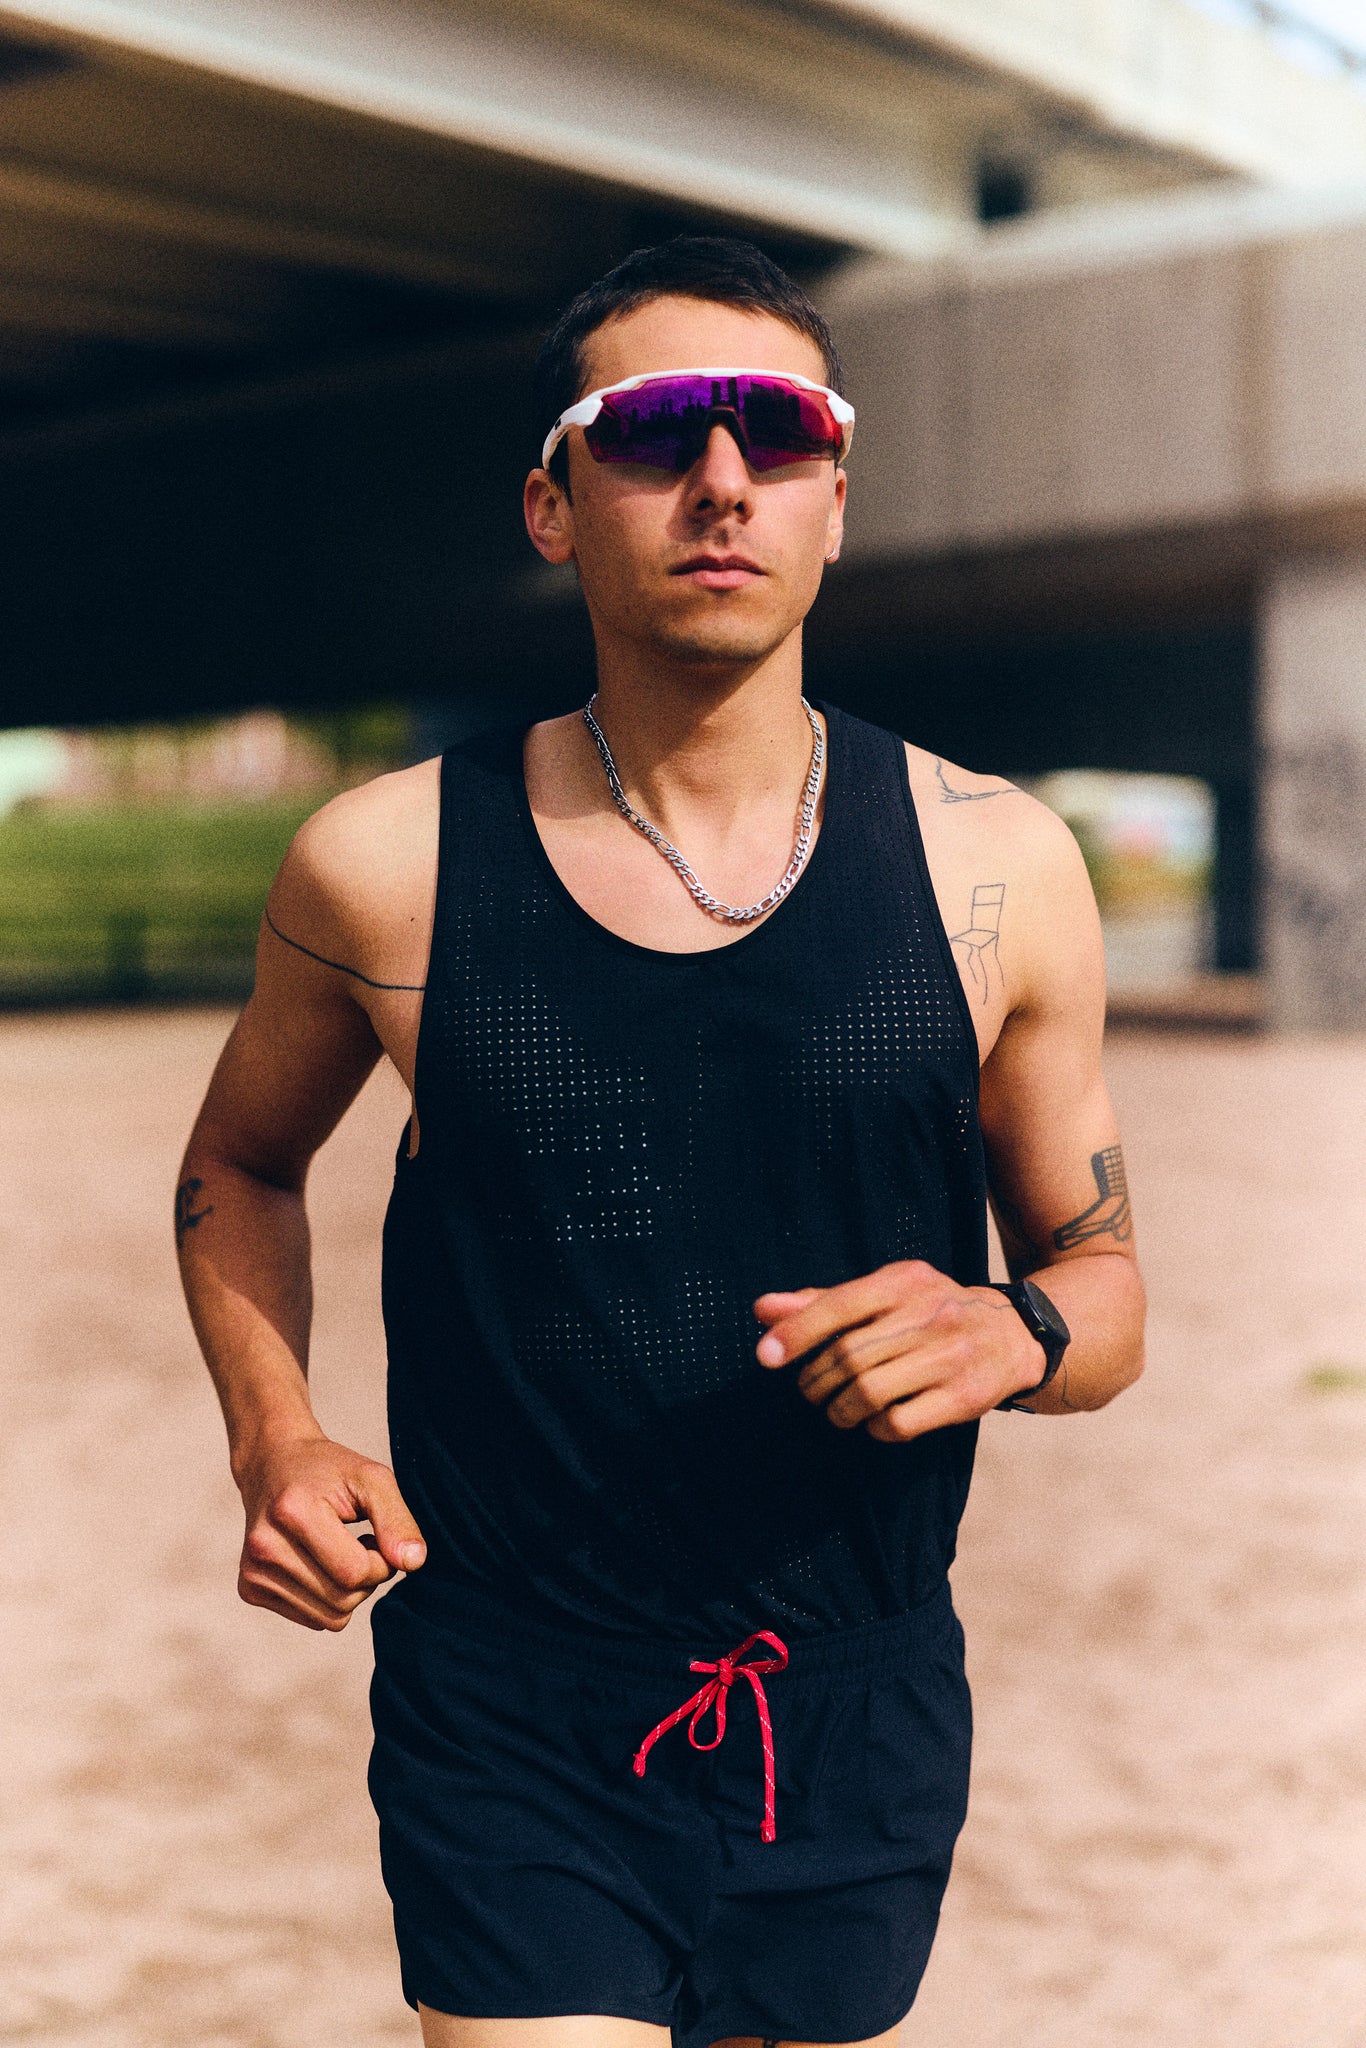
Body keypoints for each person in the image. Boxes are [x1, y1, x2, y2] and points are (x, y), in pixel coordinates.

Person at [177, 236, 1145, 2048]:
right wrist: (275, 1436)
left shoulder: (999, 865)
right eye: (649, 430)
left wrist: (1005, 1331)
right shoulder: (383, 862)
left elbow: (1103, 1293)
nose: (719, 478)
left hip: (853, 1699)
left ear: (834, 502)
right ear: (551, 505)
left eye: (775, 431)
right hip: (511, 1700)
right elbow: (239, 1160)